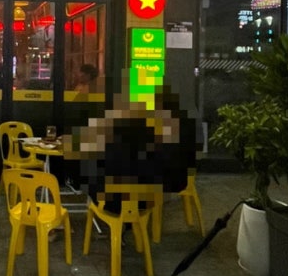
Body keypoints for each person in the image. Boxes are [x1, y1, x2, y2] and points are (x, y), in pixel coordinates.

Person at [62, 86, 197, 207]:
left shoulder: (147, 132)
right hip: (143, 185)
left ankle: (76, 184)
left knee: (96, 163)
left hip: (127, 196)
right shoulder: (172, 128)